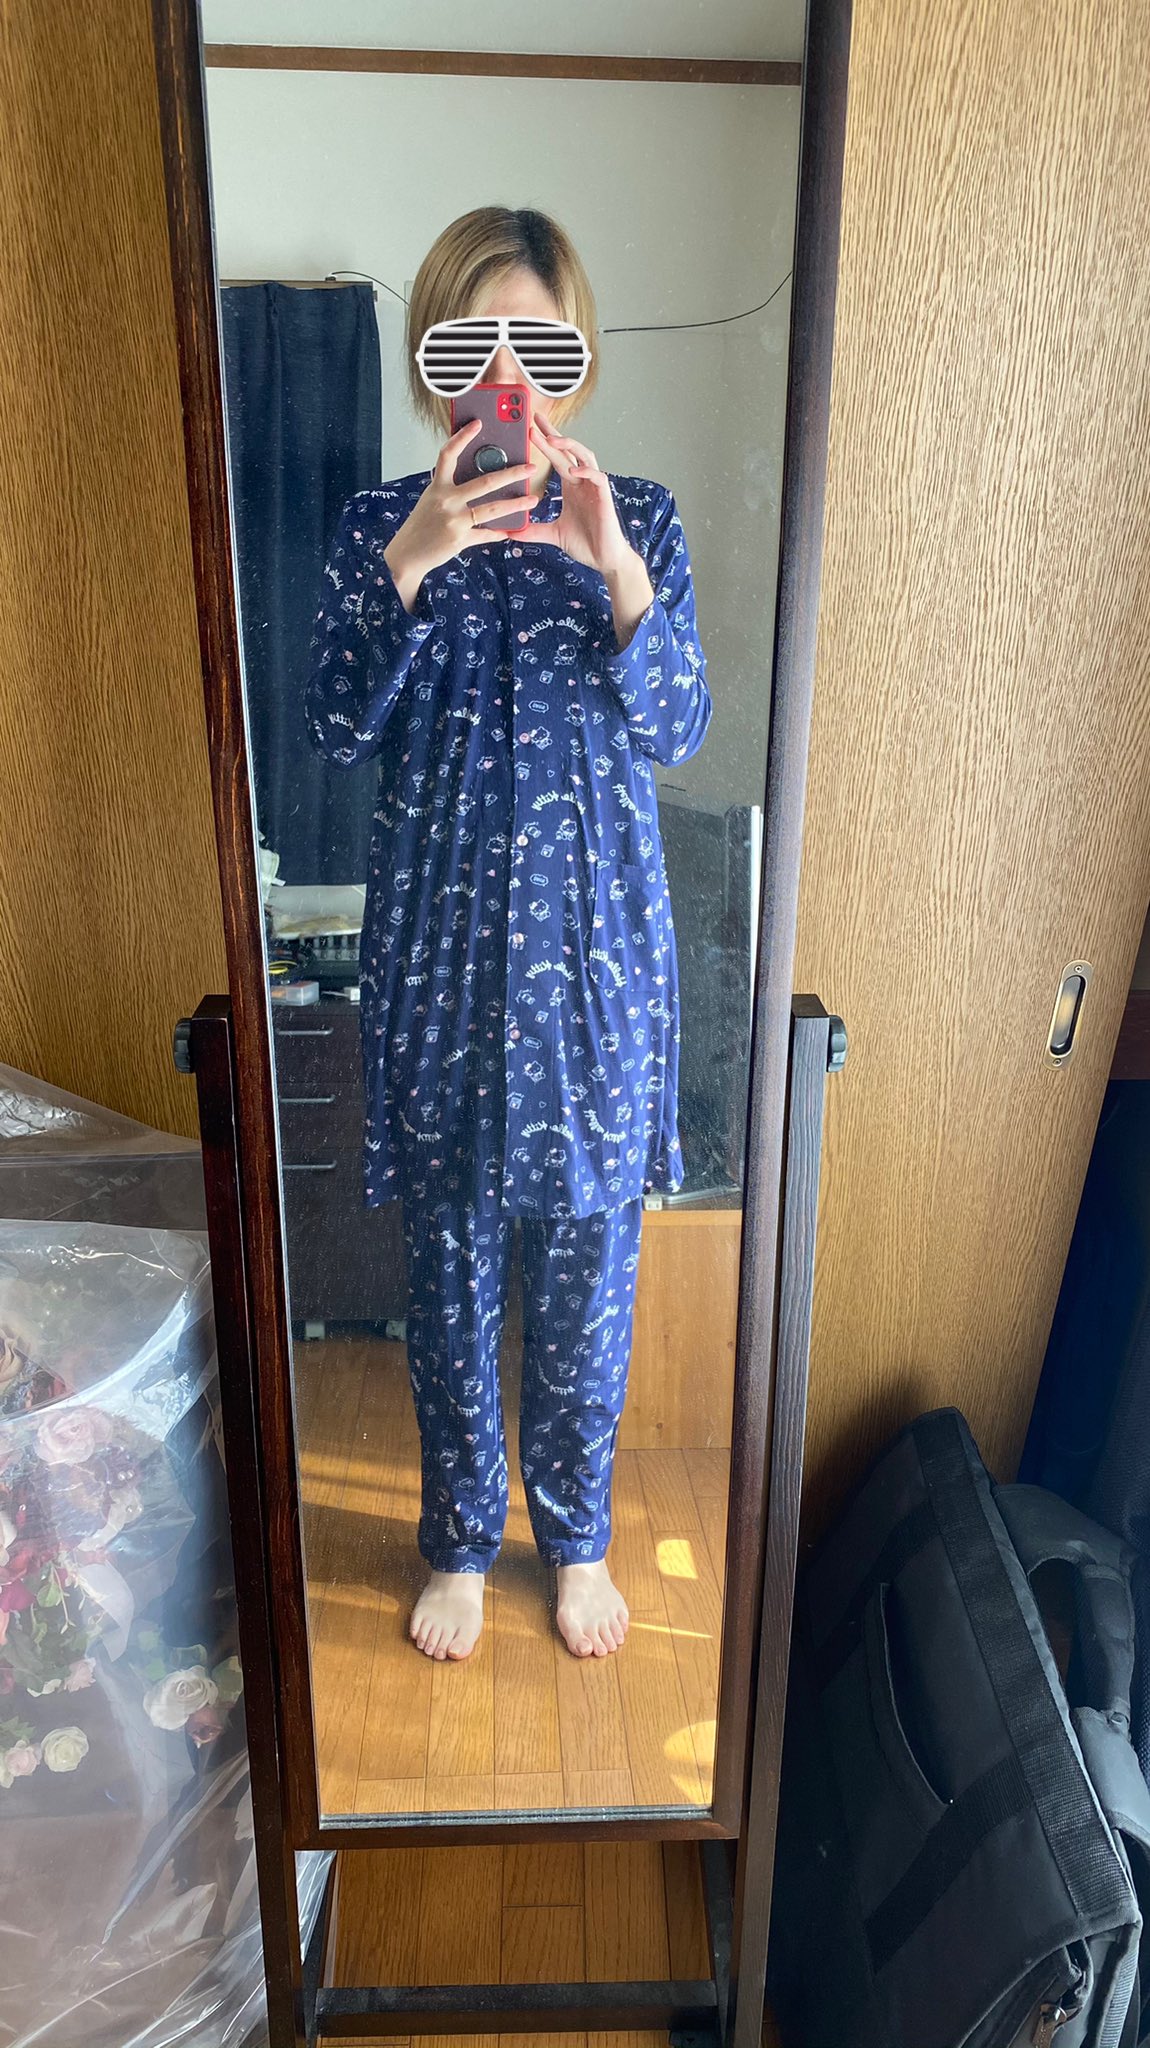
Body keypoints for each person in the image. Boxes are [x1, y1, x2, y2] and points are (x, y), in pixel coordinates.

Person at [305, 206, 712, 1666]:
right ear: (433, 359)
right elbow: (332, 726)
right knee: (452, 1280)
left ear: (574, 356)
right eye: (469, 344)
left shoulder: (637, 513)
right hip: (440, 964)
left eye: (535, 344)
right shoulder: (377, 524)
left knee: (589, 1286)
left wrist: (618, 569)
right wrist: (412, 560)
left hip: (598, 968)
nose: (504, 379)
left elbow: (679, 726)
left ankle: (579, 1537)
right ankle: (461, 1542)